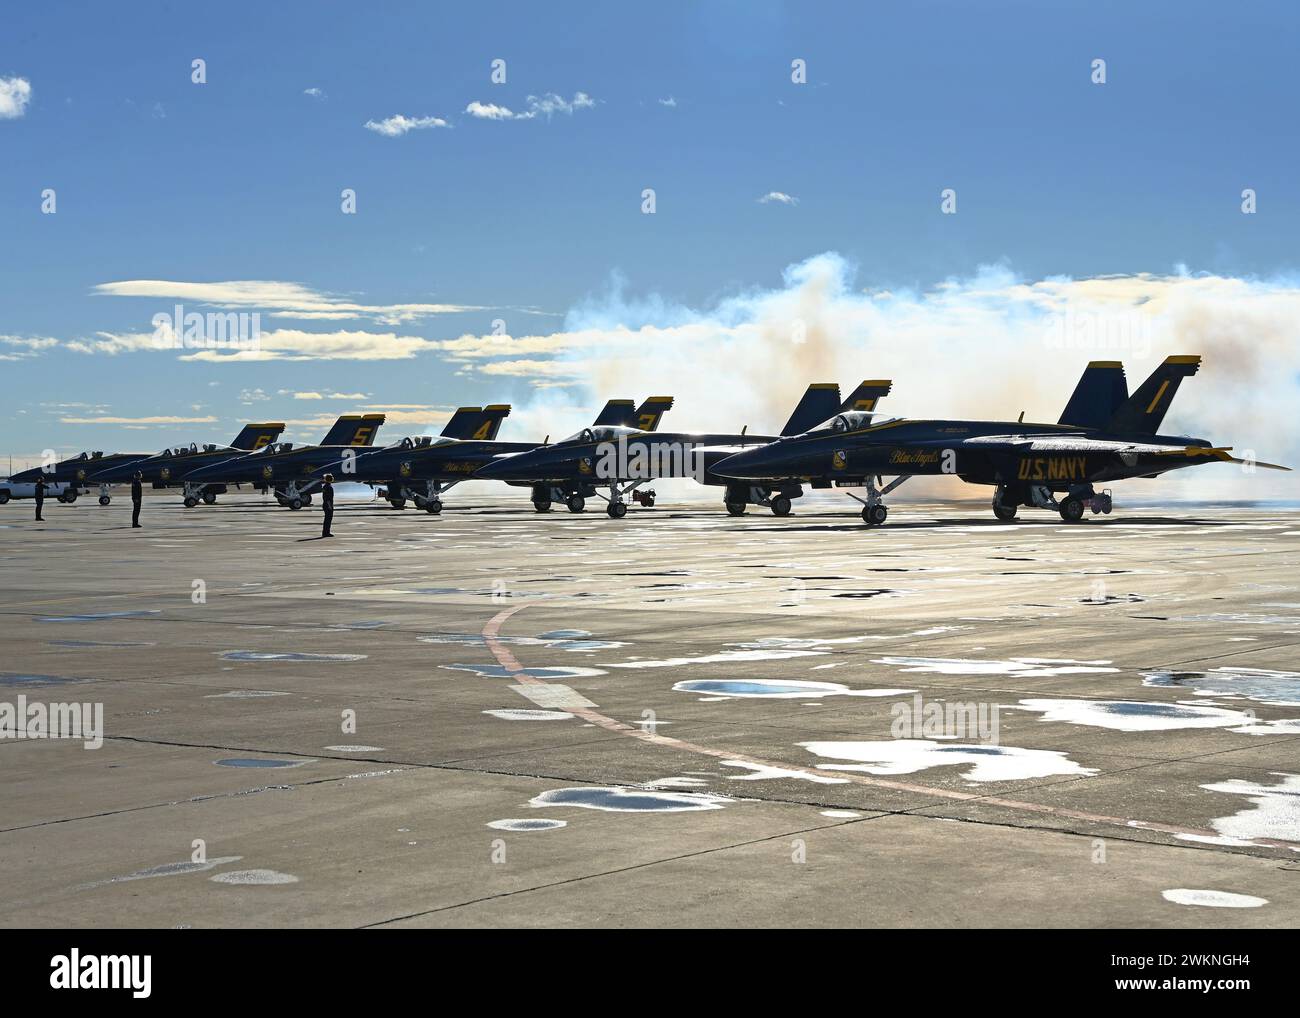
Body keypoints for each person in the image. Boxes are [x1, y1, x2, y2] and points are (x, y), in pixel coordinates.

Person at [320, 474, 334, 538]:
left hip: (325, 504)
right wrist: (329, 506)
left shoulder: (325, 486)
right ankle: (326, 533)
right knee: (328, 519)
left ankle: (325, 532)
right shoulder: (329, 487)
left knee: (327, 519)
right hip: (328, 504)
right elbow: (328, 497)